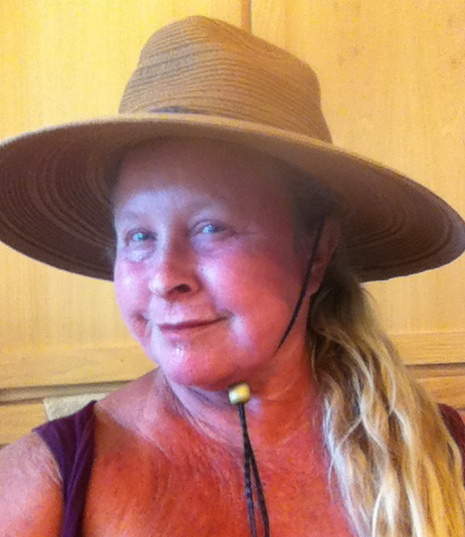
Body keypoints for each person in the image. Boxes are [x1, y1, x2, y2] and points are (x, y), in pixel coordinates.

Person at [0, 15, 464, 537]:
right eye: (139, 236)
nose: (164, 278)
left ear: (317, 253)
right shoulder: (42, 487)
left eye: (211, 227)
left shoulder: (444, 461)